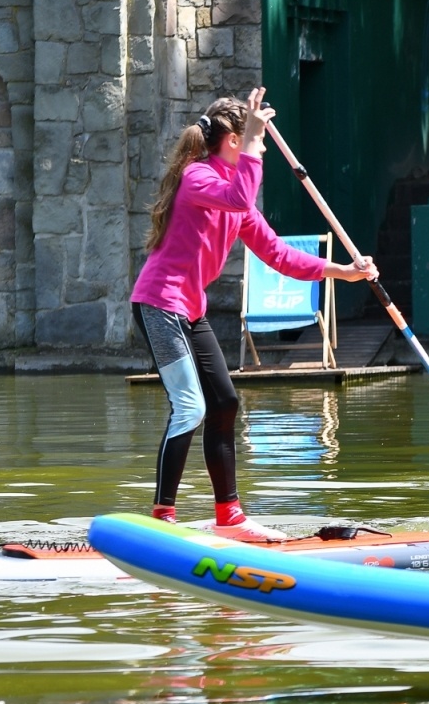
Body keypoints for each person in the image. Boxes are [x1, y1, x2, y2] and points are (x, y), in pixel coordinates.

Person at [131, 89, 378, 541]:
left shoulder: (233, 199)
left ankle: (230, 516)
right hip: (159, 304)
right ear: (233, 141)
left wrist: (342, 272)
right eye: (255, 142)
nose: (261, 150)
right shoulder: (198, 179)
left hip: (190, 310)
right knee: (190, 407)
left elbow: (278, 253)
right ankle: (161, 520)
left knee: (224, 403)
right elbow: (242, 193)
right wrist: (253, 138)